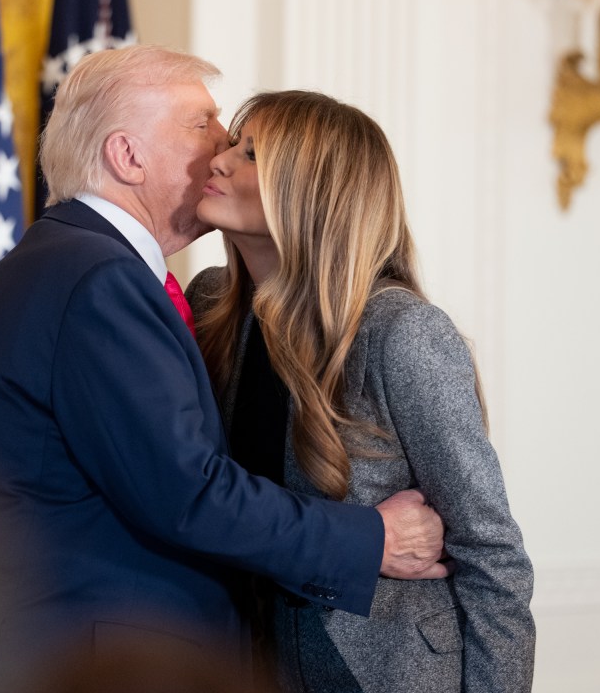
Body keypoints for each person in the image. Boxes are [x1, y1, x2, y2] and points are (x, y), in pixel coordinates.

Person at [0, 46, 447, 686]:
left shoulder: (73, 268)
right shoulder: (97, 280)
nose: (223, 144)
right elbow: (187, 491)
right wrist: (371, 540)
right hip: (97, 663)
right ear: (128, 157)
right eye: (202, 124)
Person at [188, 90, 536, 692]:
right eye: (228, 146)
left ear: (314, 192)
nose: (219, 161)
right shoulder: (210, 303)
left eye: (250, 155)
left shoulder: (401, 334)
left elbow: (492, 556)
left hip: (387, 674)